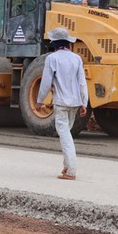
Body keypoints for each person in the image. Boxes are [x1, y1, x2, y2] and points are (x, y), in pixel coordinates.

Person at [36, 27, 88, 181]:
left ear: (54, 43)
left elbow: (46, 82)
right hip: (75, 103)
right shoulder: (76, 58)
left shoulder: (52, 59)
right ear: (68, 43)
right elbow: (82, 82)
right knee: (67, 133)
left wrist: (39, 101)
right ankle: (66, 166)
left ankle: (71, 170)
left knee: (64, 135)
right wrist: (84, 103)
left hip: (61, 102)